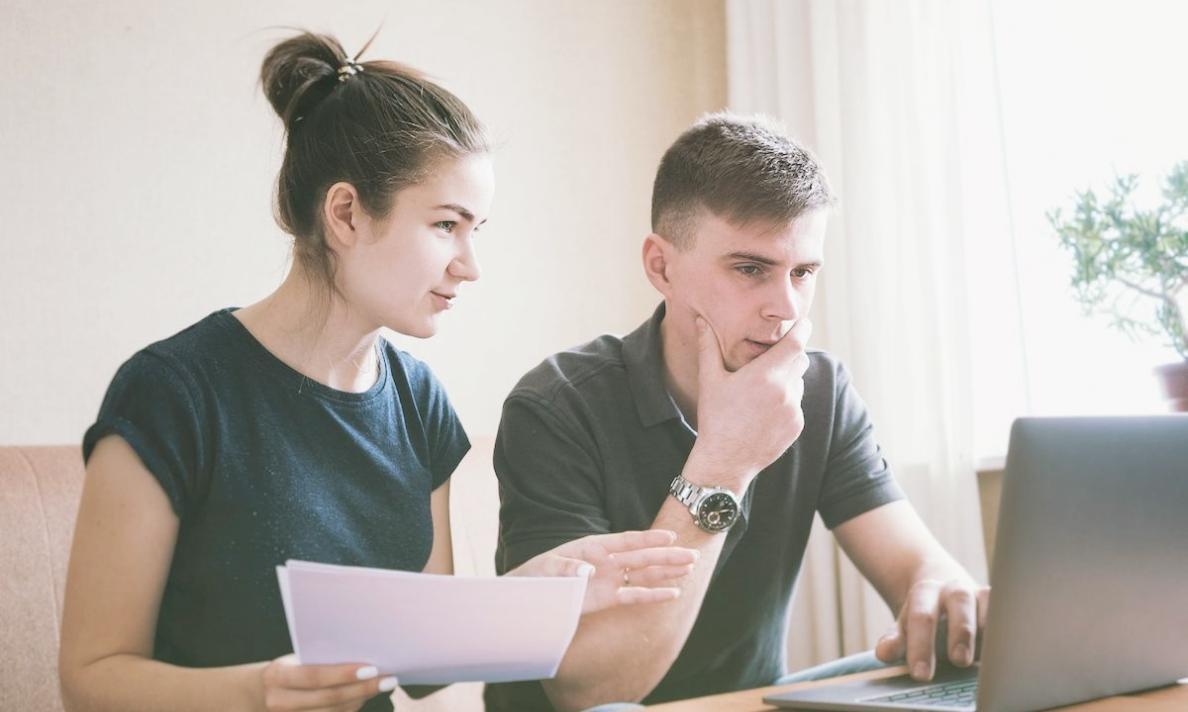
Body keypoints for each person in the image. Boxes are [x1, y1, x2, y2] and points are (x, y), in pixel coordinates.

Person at [57, 32, 697, 712]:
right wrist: (258, 692)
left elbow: (421, 670)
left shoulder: (419, 401)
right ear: (346, 214)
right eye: (446, 225)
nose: (470, 265)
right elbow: (90, 679)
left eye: (476, 230)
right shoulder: (172, 393)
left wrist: (535, 596)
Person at [486, 113, 991, 711]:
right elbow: (588, 687)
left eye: (803, 273)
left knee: (972, 674)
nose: (785, 308)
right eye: (750, 269)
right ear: (661, 266)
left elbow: (917, 565)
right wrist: (723, 462)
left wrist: (944, 595)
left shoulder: (820, 391)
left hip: (752, 703)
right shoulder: (556, 406)